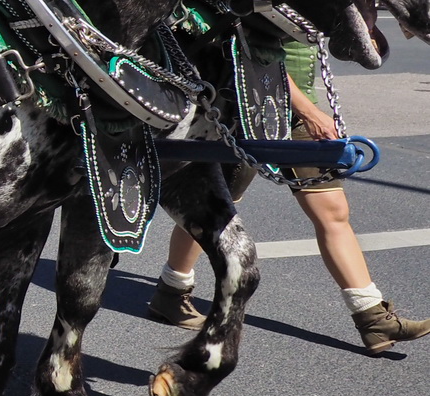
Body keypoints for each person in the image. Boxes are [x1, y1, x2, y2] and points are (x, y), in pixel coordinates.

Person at [151, 41, 430, 355]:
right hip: (248, 111)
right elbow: (254, 52)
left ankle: (372, 317)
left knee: (333, 212)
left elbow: (347, 46)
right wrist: (309, 111)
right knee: (213, 213)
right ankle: (173, 289)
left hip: (300, 113)